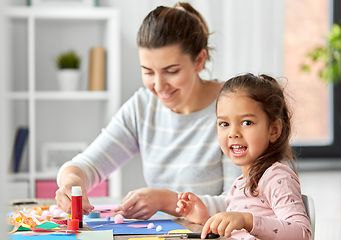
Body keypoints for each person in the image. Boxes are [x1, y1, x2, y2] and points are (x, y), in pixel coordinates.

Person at [55, 2, 241, 219]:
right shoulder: (143, 107)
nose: (159, 86)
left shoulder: (234, 108)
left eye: (171, 71)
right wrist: (71, 182)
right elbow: (86, 165)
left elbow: (240, 204)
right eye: (148, 72)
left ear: (199, 61)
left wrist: (166, 200)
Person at [176, 73, 312, 240]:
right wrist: (207, 221)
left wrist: (247, 220)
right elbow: (238, 234)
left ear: (274, 130)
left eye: (247, 122)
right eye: (224, 124)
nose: (233, 133)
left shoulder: (277, 177)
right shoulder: (240, 184)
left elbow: (302, 233)